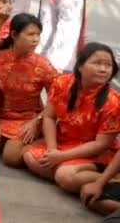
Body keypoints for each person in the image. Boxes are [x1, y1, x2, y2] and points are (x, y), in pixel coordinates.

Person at [24, 42, 120, 194]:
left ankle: (112, 178)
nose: (103, 69)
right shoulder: (62, 83)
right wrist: (52, 150)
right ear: (80, 66)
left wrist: (61, 156)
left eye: (108, 65)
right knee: (30, 157)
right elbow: (48, 117)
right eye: (97, 63)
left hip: (95, 154)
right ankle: (69, 177)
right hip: (65, 143)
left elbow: (101, 145)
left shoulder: (113, 101)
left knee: (65, 176)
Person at [0, 13, 58, 167]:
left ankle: (47, 138)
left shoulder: (43, 65)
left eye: (38, 35)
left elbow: (58, 99)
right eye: (30, 34)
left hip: (29, 119)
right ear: (14, 35)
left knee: (10, 157)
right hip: (2, 115)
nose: (35, 39)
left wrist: (37, 121)